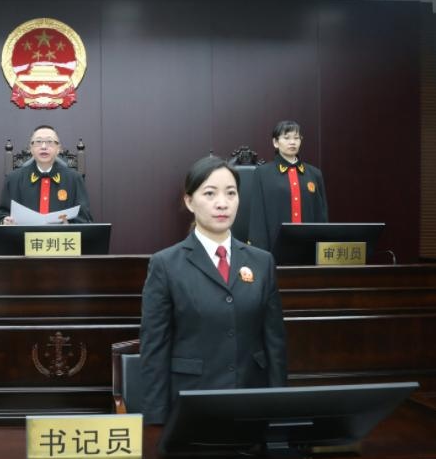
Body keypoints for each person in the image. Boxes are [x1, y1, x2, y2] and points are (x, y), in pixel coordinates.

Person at [140, 155, 287, 425]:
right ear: (189, 201)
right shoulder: (166, 265)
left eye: (231, 193)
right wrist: (155, 423)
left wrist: (279, 414)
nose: (222, 203)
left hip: (251, 406)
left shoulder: (262, 262)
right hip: (191, 407)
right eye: (210, 193)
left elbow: (274, 345)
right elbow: (154, 350)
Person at [247, 120, 328, 253]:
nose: (292, 142)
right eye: (286, 138)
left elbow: (322, 216)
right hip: (275, 247)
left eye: (296, 138)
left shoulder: (314, 174)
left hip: (308, 247)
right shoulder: (262, 173)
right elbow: (258, 216)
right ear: (275, 142)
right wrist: (259, 252)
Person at [0, 125, 93, 224]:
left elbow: (84, 219)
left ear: (58, 149)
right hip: (24, 234)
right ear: (31, 148)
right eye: (38, 141)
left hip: (62, 234)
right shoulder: (13, 179)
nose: (44, 146)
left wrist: (68, 226)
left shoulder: (74, 179)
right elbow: (1, 215)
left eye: (49, 141)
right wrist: (5, 221)